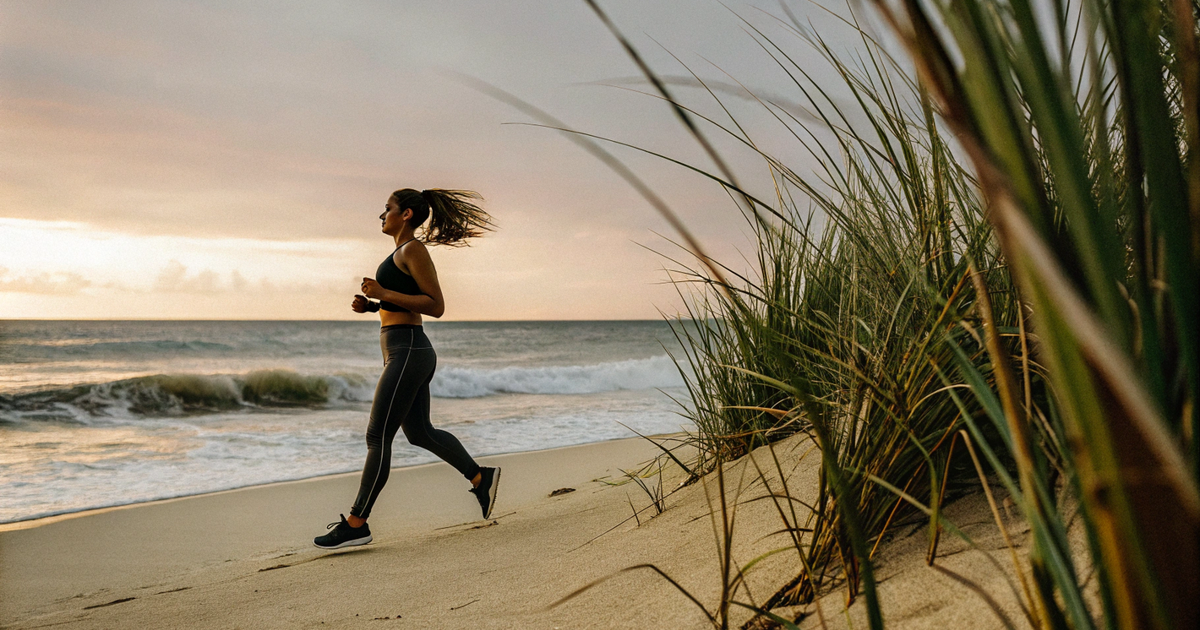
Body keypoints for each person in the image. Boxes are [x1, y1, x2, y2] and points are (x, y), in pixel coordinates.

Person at [314, 188, 499, 550]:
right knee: (420, 433)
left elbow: (435, 305)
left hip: (409, 350)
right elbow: (405, 305)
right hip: (404, 349)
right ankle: (481, 477)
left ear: (407, 214)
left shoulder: (413, 249)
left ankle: (357, 522)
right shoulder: (399, 253)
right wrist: (372, 306)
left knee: (377, 437)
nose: (381, 215)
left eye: (387, 208)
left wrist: (383, 291)